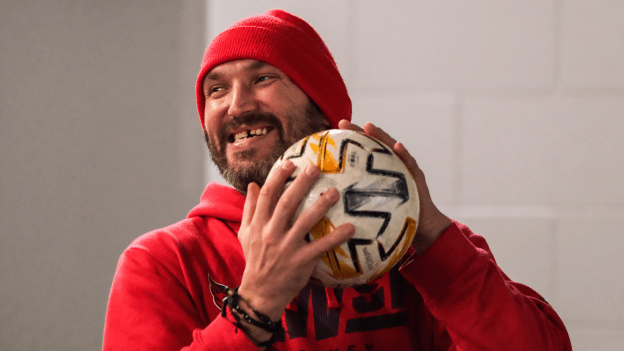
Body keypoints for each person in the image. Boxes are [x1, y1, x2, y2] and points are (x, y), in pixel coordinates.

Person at [103, 9, 572, 351]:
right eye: (216, 89)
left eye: (263, 77)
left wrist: (433, 239)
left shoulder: (416, 249)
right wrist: (255, 305)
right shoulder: (164, 263)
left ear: (324, 110)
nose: (235, 105)